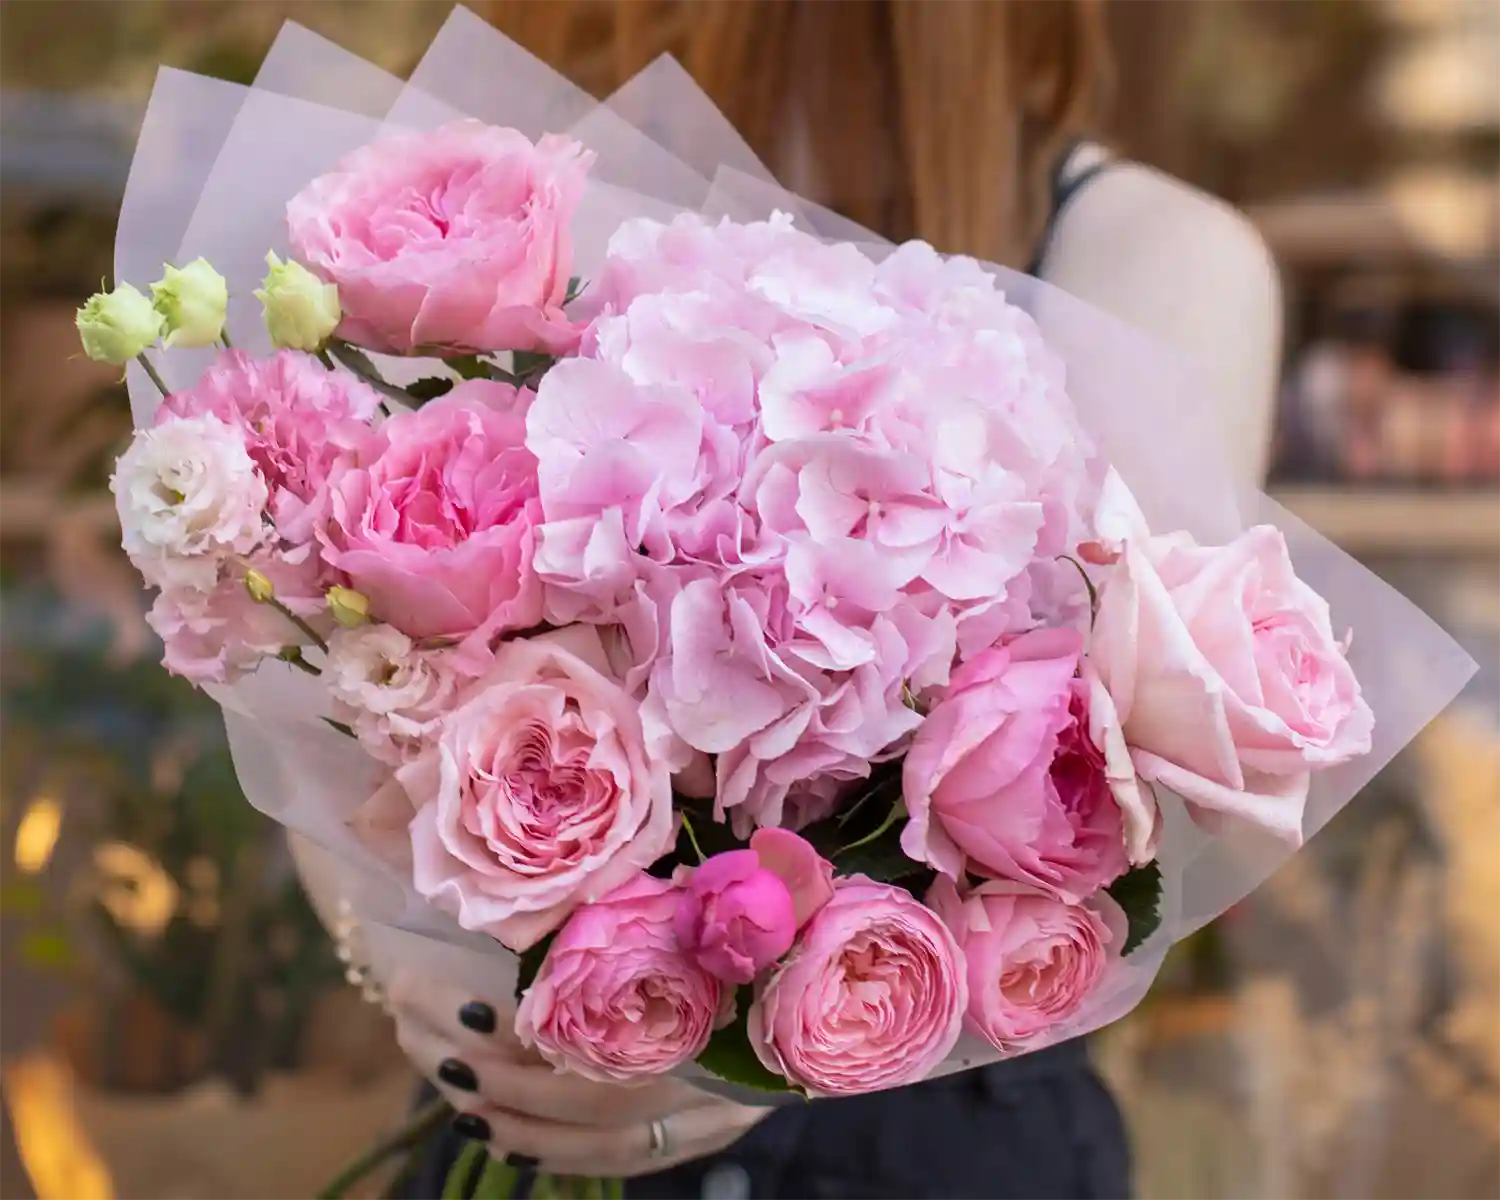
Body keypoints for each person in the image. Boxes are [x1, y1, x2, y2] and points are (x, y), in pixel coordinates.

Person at [294, 2, 1282, 1196]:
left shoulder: (1151, 254)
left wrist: (738, 1052)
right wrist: (425, 976)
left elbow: (1111, 791)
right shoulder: (518, 197)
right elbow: (329, 667)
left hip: (933, 1144)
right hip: (526, 1083)